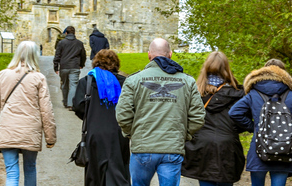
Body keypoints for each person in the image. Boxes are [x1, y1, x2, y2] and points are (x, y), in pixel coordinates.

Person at [116, 38, 206, 186]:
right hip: (172, 148)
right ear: (170, 54)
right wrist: (183, 135)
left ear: (149, 55)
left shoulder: (133, 80)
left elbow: (123, 114)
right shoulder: (187, 81)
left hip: (142, 146)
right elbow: (198, 117)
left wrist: (133, 134)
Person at [228, 59, 292, 186]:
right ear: (284, 73)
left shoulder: (253, 93)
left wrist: (254, 128)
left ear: (263, 72)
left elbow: (234, 112)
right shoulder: (291, 95)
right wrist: (291, 134)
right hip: (284, 149)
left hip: (259, 148)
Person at [0, 41, 56, 186]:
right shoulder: (39, 78)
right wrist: (50, 137)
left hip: (7, 128)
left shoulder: (2, 75)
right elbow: (46, 109)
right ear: (35, 56)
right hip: (30, 130)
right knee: (30, 168)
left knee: (11, 172)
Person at [182, 51, 245, 186]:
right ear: (227, 68)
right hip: (227, 145)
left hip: (201, 145)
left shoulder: (193, 93)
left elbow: (186, 120)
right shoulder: (238, 94)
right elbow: (242, 121)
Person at [72, 49, 130, 186]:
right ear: (116, 64)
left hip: (94, 132)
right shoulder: (124, 82)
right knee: (119, 172)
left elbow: (78, 106)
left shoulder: (86, 82)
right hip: (118, 133)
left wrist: (91, 116)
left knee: (94, 174)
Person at [53, 26, 86, 110]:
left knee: (64, 84)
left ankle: (65, 101)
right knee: (73, 85)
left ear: (66, 33)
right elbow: (83, 55)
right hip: (75, 66)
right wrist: (81, 64)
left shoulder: (61, 43)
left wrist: (56, 67)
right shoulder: (79, 43)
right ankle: (71, 103)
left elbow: (57, 56)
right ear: (74, 33)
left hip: (64, 67)